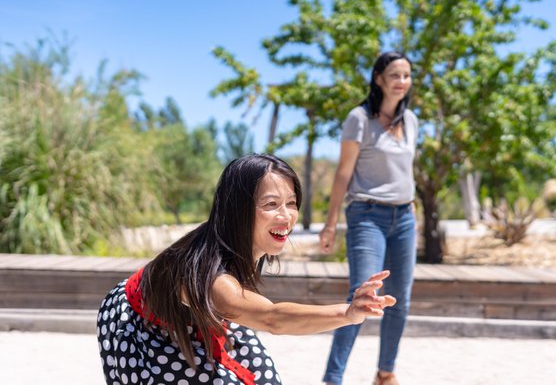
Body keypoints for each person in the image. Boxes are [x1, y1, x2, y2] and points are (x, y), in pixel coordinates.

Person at [97, 153, 396, 385]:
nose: (286, 216)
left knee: (263, 378)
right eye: (271, 204)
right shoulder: (211, 278)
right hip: (140, 323)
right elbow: (272, 318)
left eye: (291, 203)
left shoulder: (241, 239)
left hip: (197, 316)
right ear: (238, 210)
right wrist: (347, 313)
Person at [319, 52, 418, 385]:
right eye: (394, 75)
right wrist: (331, 223)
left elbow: (407, 172)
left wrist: (412, 209)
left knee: (400, 301)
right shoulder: (359, 119)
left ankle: (385, 373)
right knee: (361, 296)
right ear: (378, 79)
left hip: (404, 217)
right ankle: (333, 379)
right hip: (366, 216)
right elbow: (343, 174)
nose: (401, 81)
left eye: (406, 75)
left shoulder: (412, 121)